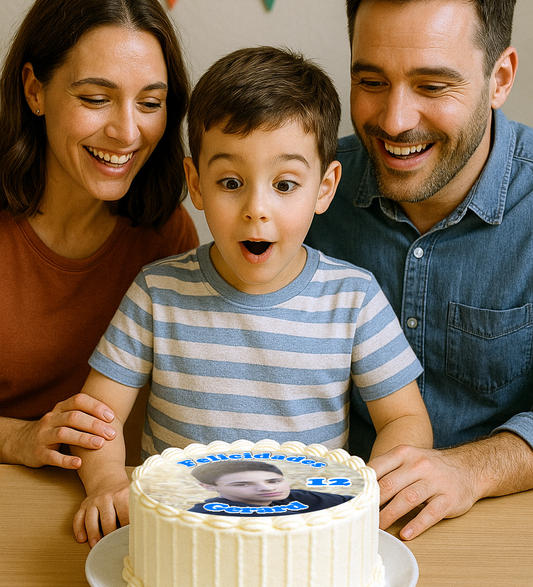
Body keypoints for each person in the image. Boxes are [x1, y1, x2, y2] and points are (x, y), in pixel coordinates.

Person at [70, 45, 432, 547]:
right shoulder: (157, 292)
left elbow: (406, 419)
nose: (256, 209)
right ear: (195, 184)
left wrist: (367, 493)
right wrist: (107, 482)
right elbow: (97, 417)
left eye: (285, 184)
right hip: (178, 536)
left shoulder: (353, 298)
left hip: (305, 536)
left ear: (324, 188)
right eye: (231, 182)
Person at [306, 0, 533, 540]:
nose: (395, 120)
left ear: (500, 76)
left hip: (497, 532)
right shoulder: (305, 192)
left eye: (433, 86)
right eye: (372, 81)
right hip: (329, 531)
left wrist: (474, 469)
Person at [0, 0, 198, 470]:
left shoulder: (166, 234)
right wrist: (16, 440)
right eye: (95, 98)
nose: (127, 132)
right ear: (35, 91)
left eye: (150, 102)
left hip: (103, 498)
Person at [188, 460, 353, 515]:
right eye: (243, 484)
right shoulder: (206, 512)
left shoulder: (291, 498)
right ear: (209, 487)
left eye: (273, 481)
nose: (266, 488)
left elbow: (356, 503)